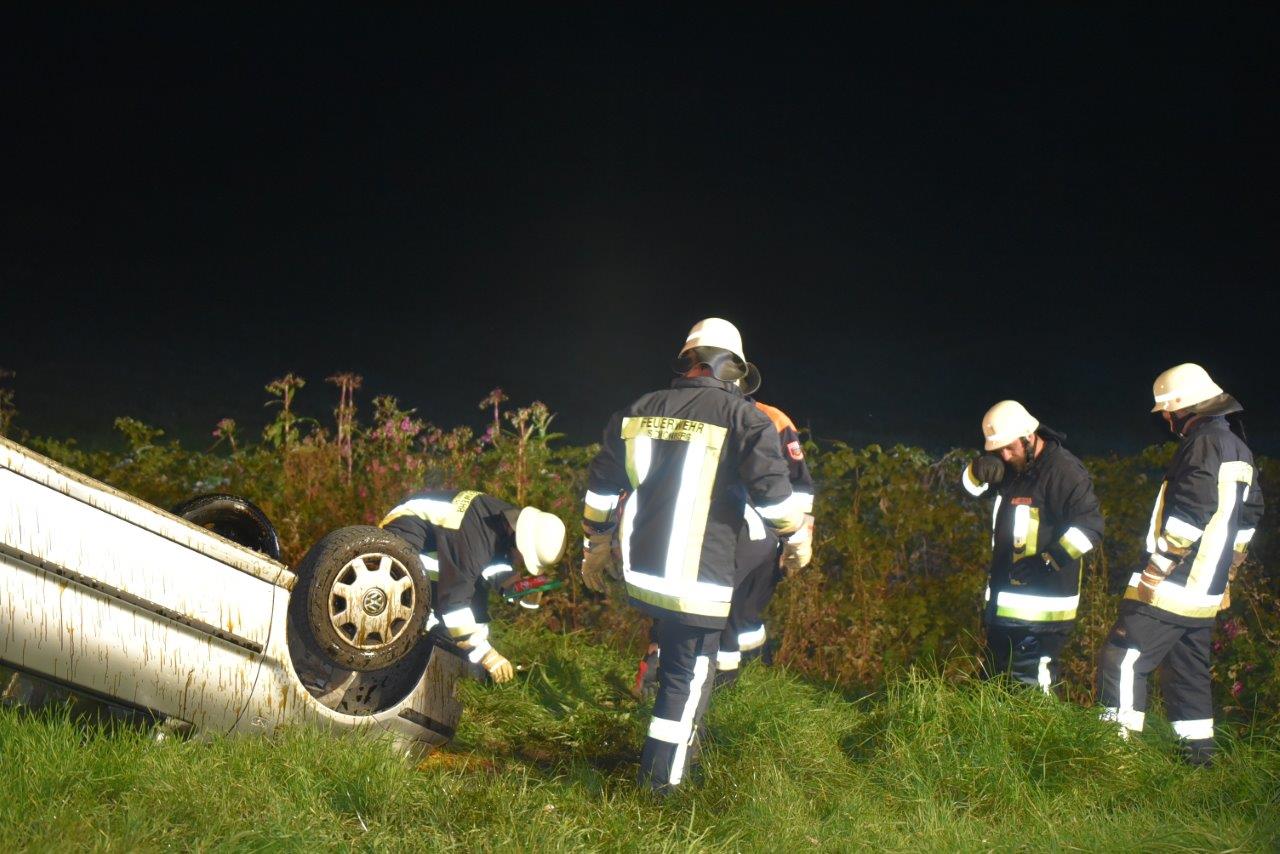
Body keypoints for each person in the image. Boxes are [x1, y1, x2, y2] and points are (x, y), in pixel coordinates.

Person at [580, 317, 805, 791]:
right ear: (734, 369)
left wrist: (595, 545)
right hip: (699, 578)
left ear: (687, 361)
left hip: (644, 572)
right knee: (687, 679)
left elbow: (601, 490)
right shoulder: (746, 418)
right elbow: (775, 501)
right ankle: (661, 788)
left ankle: (669, 757)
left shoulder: (637, 410)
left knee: (673, 666)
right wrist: (797, 536)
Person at [1097, 363, 1263, 765]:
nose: (1167, 421)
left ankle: (1114, 759)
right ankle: (1197, 765)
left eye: (1167, 413)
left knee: (1122, 658)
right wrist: (1229, 570)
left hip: (1174, 585)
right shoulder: (1238, 448)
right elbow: (1250, 516)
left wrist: (1159, 566)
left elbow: (1191, 510)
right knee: (1188, 676)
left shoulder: (1203, 444)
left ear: (1183, 408)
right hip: (1205, 593)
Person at [631, 388, 816, 696]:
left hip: (751, 533)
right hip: (719, 530)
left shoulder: (771, 418)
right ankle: (719, 689)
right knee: (717, 616)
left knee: (730, 617)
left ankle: (719, 687)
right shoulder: (710, 412)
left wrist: (797, 535)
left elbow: (798, 485)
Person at [961, 400, 1103, 692]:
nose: (1004, 455)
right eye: (998, 450)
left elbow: (1090, 527)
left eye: (1009, 448)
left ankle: (1048, 727)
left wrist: (1047, 561)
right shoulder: (1011, 466)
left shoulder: (1063, 471)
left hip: (1043, 615)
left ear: (1028, 436)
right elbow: (970, 491)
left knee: (1034, 694)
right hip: (1005, 609)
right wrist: (977, 470)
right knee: (994, 688)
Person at [380, 489, 567, 683]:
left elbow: (493, 559)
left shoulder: (506, 520)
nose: (521, 562)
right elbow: (454, 605)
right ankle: (427, 634)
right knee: (445, 608)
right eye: (524, 557)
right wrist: (487, 656)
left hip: (438, 540)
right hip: (405, 536)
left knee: (474, 610)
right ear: (520, 541)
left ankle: (456, 654)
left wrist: (515, 586)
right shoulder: (472, 540)